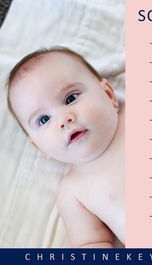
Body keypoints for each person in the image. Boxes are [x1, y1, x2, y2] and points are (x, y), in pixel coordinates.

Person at [7, 46, 125, 248]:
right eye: (43, 120)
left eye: (71, 98)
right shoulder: (73, 191)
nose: (63, 119)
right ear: (39, 148)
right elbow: (90, 242)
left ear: (108, 94)